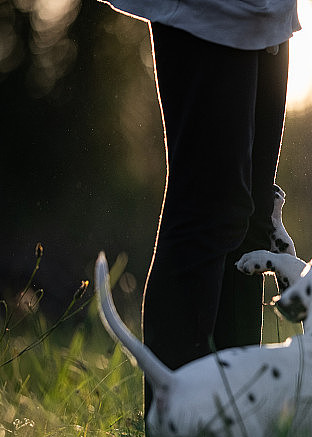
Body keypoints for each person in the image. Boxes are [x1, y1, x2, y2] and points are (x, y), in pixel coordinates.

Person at [101, 1, 300, 413]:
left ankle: (238, 426)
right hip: (210, 11)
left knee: (252, 221)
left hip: (268, 15)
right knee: (210, 210)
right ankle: (178, 430)